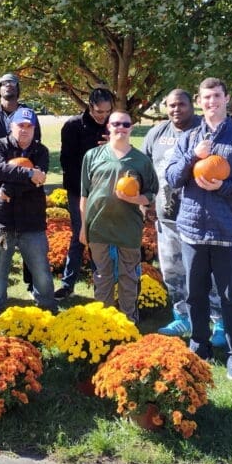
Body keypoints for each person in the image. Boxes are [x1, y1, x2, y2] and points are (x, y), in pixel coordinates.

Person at [165, 77, 232, 381]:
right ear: (200, 100)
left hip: (228, 232)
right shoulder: (189, 137)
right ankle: (200, 345)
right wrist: (193, 157)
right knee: (195, 294)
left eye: (217, 97)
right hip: (192, 230)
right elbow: (171, 177)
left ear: (226, 99)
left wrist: (224, 186)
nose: (212, 102)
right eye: (206, 97)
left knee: (229, 296)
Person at [142, 89, 219, 339]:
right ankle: (182, 317)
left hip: (199, 220)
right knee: (173, 273)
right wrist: (145, 201)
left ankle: (218, 321)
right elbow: (145, 170)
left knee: (208, 273)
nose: (176, 109)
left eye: (182, 105)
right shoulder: (157, 134)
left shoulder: (204, 131)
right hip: (166, 218)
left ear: (192, 105)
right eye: (171, 105)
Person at [0, 107, 57, 326]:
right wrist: (29, 174)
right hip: (2, 222)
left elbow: (38, 181)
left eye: (29, 126)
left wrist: (10, 189)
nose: (24, 130)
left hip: (31, 222)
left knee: (40, 269)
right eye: (20, 126)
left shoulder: (40, 151)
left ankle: (48, 307)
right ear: (11, 126)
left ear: (34, 129)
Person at [80, 110, 157, 323]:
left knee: (128, 275)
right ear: (108, 127)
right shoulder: (92, 156)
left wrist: (135, 200)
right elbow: (84, 195)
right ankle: (104, 320)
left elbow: (151, 194)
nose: (120, 128)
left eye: (125, 124)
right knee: (102, 276)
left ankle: (128, 318)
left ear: (131, 127)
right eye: (116, 124)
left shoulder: (141, 160)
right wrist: (83, 227)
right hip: (98, 225)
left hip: (128, 227)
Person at [0, 73, 42, 302]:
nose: (8, 87)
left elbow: (35, 152)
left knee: (27, 233)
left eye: (12, 83)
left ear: (18, 88)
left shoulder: (29, 115)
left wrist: (14, 182)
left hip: (25, 185)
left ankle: (32, 285)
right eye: (3, 83)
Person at [55, 87, 114, 299]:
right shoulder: (73, 126)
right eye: (99, 111)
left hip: (107, 190)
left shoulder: (112, 126)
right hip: (79, 190)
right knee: (81, 235)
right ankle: (68, 283)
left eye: (107, 112)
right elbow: (66, 161)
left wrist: (113, 145)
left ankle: (103, 283)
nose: (103, 116)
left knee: (103, 235)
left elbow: (124, 157)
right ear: (90, 106)